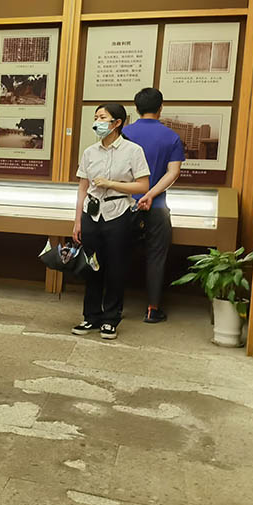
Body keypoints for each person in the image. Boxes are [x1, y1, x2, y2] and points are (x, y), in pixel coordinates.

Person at [72, 103, 151, 341]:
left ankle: (110, 319)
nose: (97, 122)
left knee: (116, 268)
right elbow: (82, 188)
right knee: (92, 266)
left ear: (117, 123)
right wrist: (77, 221)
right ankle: (90, 316)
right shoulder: (90, 152)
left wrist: (111, 184)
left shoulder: (133, 150)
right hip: (92, 214)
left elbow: (143, 185)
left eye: (102, 118)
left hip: (118, 213)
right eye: (96, 117)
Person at [123, 87, 185, 324]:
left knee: (118, 254)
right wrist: (150, 194)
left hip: (124, 205)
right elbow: (173, 172)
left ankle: (114, 307)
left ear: (136, 108)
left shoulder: (123, 134)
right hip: (157, 206)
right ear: (160, 108)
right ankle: (152, 309)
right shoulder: (171, 137)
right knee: (156, 257)